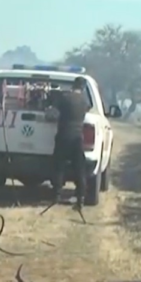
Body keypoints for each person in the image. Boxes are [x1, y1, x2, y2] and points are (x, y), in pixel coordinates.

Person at [49, 77, 89, 209]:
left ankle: (56, 195)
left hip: (63, 136)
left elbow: (52, 111)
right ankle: (80, 199)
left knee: (59, 166)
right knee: (79, 169)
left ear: (73, 85)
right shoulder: (84, 101)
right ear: (83, 88)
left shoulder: (65, 98)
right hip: (77, 138)